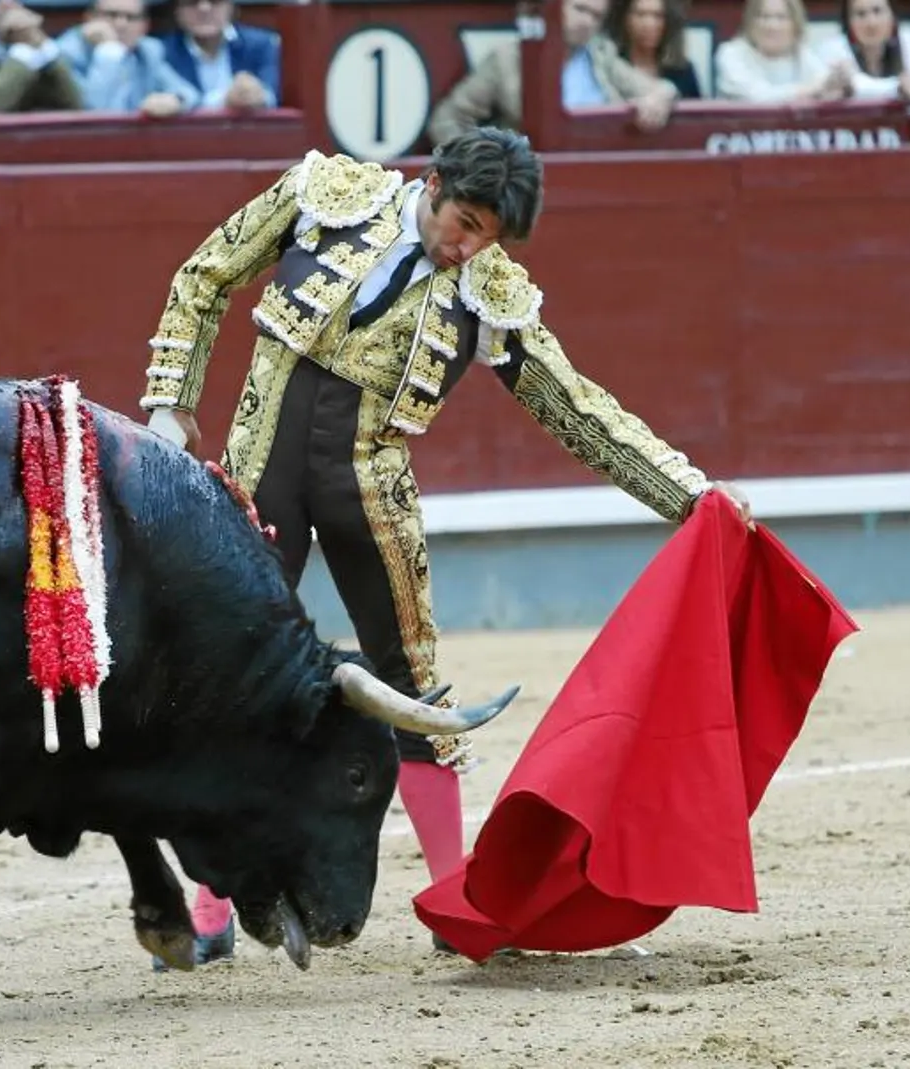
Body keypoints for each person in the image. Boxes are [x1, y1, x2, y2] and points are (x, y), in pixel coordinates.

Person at [137, 126, 750, 962]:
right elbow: (204, 275)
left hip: (372, 500)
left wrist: (690, 493)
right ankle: (212, 901)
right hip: (256, 478)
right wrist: (171, 402)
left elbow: (574, 407)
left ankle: (457, 898)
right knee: (230, 684)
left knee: (416, 689)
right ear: (430, 184)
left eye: (485, 237)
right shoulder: (327, 195)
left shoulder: (490, 291)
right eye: (463, 222)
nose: (467, 248)